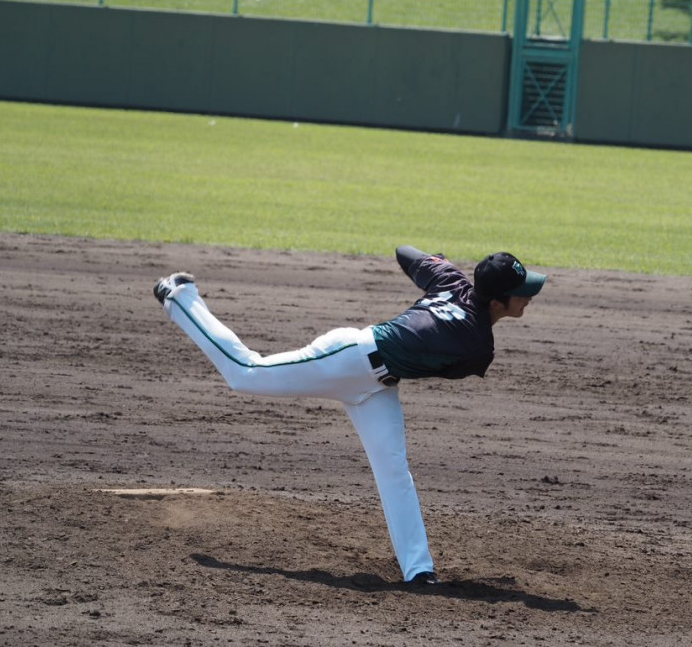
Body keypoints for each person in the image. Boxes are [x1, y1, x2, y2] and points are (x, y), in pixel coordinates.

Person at [153, 245, 546, 586]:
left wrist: (441, 268)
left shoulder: (452, 282)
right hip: (347, 358)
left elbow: (405, 252)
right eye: (521, 293)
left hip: (376, 387)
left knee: (394, 470)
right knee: (246, 373)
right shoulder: (478, 346)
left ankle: (419, 570)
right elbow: (446, 361)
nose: (528, 298)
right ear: (497, 304)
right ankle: (180, 297)